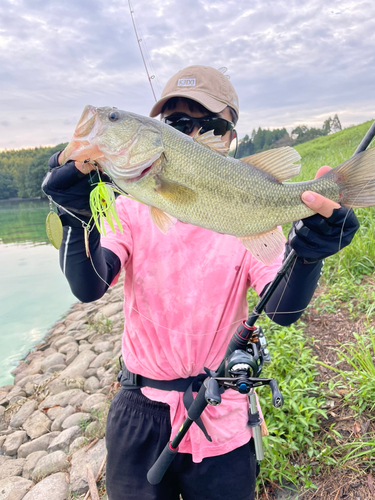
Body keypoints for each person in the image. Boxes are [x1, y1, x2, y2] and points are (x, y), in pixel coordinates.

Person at [42, 65, 359, 500]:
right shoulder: (133, 209)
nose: (191, 134)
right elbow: (89, 286)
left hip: (220, 410)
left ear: (230, 138)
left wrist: (308, 256)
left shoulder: (249, 213)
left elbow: (283, 309)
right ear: (159, 133)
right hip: (138, 411)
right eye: (175, 124)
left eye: (208, 125)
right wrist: (75, 216)